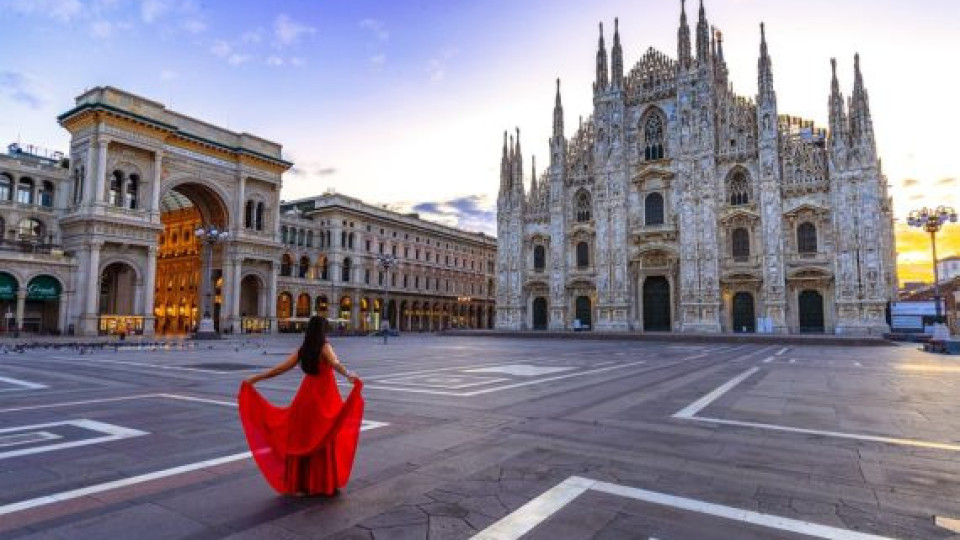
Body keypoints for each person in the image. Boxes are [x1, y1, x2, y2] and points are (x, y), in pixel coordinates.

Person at [239, 316, 364, 496]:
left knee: (304, 437)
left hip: (305, 398)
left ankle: (302, 482)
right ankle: (320, 482)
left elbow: (280, 369)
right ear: (322, 330)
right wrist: (349, 374)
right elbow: (335, 362)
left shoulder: (303, 349)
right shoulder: (325, 347)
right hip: (324, 397)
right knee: (324, 437)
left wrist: (255, 378)